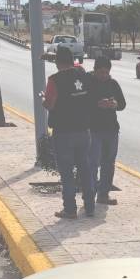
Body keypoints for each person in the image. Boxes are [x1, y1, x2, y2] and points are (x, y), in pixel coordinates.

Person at [43, 46, 94, 219]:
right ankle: (90, 206)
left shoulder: (54, 80)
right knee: (85, 169)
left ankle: (70, 209)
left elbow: (50, 104)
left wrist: (43, 98)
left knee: (66, 172)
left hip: (63, 132)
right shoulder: (84, 76)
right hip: (84, 131)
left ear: (57, 62)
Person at [88, 57, 127, 207]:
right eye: (101, 72)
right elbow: (82, 103)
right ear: (95, 70)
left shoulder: (113, 84)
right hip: (94, 130)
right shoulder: (89, 83)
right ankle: (89, 195)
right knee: (92, 163)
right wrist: (97, 104)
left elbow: (122, 104)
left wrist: (114, 104)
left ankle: (103, 194)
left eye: (106, 72)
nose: (104, 75)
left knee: (108, 163)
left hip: (111, 129)